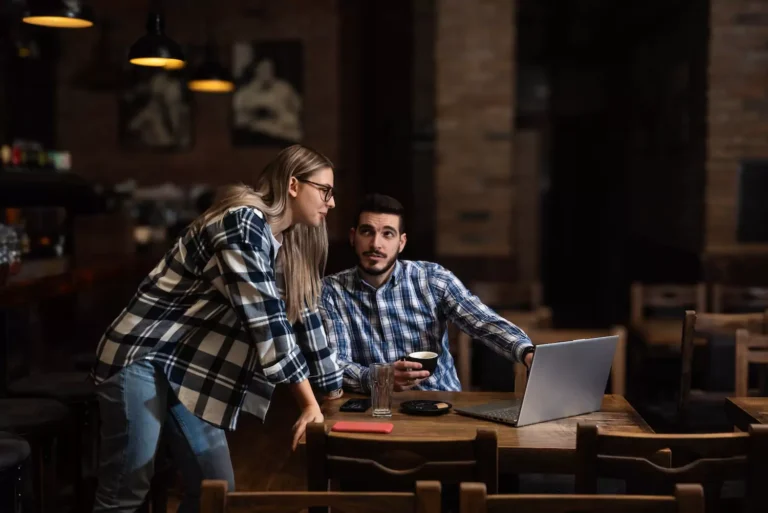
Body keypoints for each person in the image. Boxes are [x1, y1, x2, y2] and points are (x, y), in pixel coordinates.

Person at [90, 144, 343, 513]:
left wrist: (333, 394)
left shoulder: (287, 242)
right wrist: (307, 404)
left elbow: (307, 316)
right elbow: (266, 320)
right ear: (293, 185)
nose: (331, 203)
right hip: (140, 353)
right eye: (326, 191)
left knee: (215, 488)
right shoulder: (242, 222)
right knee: (129, 487)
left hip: (184, 367)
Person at [320, 193, 534, 394]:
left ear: (401, 242)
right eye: (367, 232)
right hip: (373, 408)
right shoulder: (330, 291)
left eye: (388, 233)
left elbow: (481, 321)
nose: (376, 244)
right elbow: (333, 363)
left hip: (441, 404)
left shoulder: (433, 278)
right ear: (352, 236)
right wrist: (379, 377)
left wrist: (525, 351)